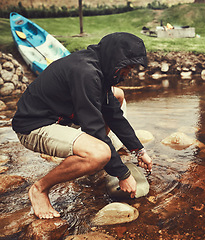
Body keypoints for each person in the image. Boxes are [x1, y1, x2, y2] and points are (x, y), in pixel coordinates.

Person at [12, 32, 152, 219]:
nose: (128, 73)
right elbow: (93, 129)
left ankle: (94, 160)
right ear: (115, 58)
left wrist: (139, 150)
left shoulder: (99, 67)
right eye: (127, 67)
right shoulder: (86, 72)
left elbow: (113, 115)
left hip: (58, 119)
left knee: (116, 96)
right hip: (33, 126)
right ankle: (40, 189)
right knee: (99, 153)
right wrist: (123, 174)